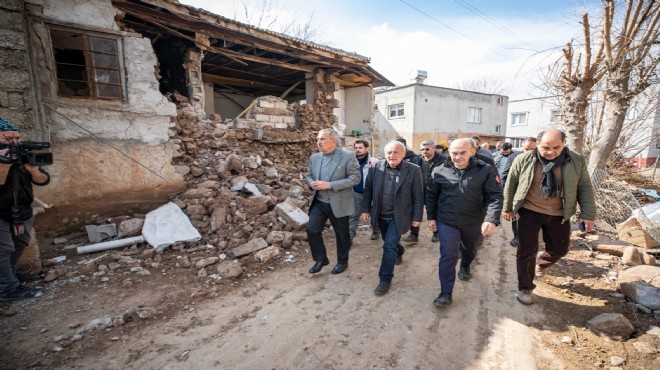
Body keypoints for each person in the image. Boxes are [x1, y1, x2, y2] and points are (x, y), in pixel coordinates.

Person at [503, 129, 595, 306]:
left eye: (556, 147)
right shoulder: (524, 159)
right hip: (529, 211)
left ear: (564, 144)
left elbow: (584, 187)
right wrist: (508, 207)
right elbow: (511, 182)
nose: (551, 152)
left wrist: (587, 214)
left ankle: (541, 263)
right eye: (546, 147)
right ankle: (525, 287)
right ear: (537, 144)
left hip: (559, 213)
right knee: (526, 250)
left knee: (560, 249)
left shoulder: (576, 160)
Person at [426, 138, 502, 307]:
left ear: (471, 152)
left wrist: (491, 219)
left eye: (462, 153)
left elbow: (495, 196)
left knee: (469, 250)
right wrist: (431, 217)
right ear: (448, 153)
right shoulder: (439, 170)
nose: (458, 157)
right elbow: (432, 196)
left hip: (473, 221)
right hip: (447, 221)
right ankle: (445, 292)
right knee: (448, 255)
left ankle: (466, 265)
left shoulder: (486, 170)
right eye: (454, 153)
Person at [361, 141, 424, 295]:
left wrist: (417, 217)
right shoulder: (376, 167)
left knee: (388, 245)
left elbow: (418, 195)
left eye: (396, 152)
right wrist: (365, 209)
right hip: (380, 214)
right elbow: (368, 189)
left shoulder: (413, 170)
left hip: (400, 215)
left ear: (403, 154)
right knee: (390, 243)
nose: (392, 155)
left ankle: (385, 279)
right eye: (389, 152)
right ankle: (400, 250)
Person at [0, 118, 50, 302]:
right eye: (8, 137)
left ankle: (10, 276)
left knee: (20, 243)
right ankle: (7, 289)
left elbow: (43, 180)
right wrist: (4, 163)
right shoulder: (5, 159)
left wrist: (33, 170)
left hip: (21, 208)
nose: (14, 142)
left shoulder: (23, 156)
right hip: (1, 210)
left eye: (17, 137)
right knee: (3, 249)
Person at [306, 128, 361, 275]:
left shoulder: (348, 156)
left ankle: (342, 262)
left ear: (333, 141)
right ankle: (321, 259)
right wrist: (311, 183)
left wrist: (330, 185)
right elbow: (309, 175)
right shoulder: (315, 158)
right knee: (312, 229)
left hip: (339, 202)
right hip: (319, 201)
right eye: (318, 139)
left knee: (342, 234)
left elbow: (355, 178)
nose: (319, 142)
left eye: (322, 139)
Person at [403, 140, 444, 243]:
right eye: (422, 149)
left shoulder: (443, 160)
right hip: (419, 191)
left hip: (436, 191)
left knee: (435, 211)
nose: (424, 151)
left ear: (434, 148)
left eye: (427, 149)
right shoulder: (416, 160)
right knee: (415, 211)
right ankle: (414, 234)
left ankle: (436, 233)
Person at [507, 137, 537, 247]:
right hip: (517, 193)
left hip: (533, 196)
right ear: (522, 147)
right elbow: (507, 176)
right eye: (526, 149)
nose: (529, 152)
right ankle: (516, 236)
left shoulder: (542, 160)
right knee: (516, 217)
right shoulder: (514, 157)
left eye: (532, 149)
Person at [348, 140, 380, 242]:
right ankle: (349, 237)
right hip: (357, 193)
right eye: (356, 148)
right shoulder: (351, 161)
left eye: (360, 148)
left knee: (374, 215)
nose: (358, 150)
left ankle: (376, 230)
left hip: (372, 194)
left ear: (366, 149)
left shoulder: (375, 162)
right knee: (353, 216)